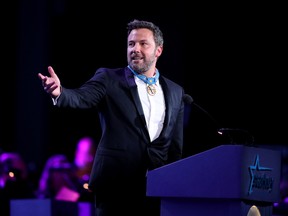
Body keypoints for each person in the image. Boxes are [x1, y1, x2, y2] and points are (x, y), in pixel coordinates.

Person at [38, 19, 186, 216]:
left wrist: (173, 183)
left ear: (158, 50)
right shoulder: (109, 79)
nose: (135, 49)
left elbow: (175, 147)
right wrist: (60, 93)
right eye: (131, 44)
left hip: (156, 189)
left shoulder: (176, 91)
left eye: (143, 43)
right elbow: (81, 97)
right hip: (115, 186)